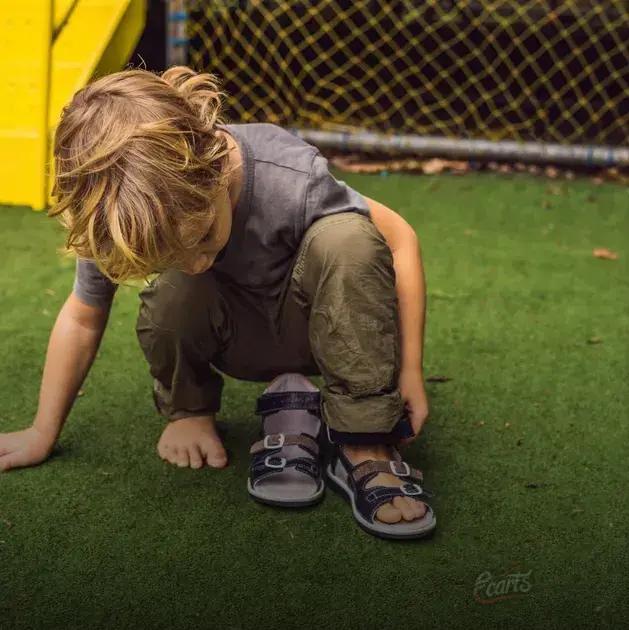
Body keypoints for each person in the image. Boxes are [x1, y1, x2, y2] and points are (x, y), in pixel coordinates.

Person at [0, 67, 435, 538]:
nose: (194, 260)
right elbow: (83, 317)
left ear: (216, 168)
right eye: (172, 254)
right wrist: (43, 432)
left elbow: (400, 240)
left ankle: (366, 442)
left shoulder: (285, 171)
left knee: (349, 237)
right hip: (233, 338)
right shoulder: (119, 209)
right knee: (179, 284)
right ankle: (191, 410)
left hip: (322, 333)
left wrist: (408, 370)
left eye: (204, 235)